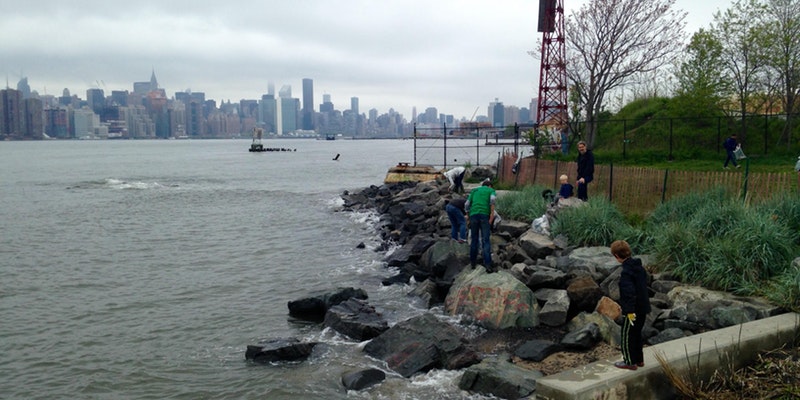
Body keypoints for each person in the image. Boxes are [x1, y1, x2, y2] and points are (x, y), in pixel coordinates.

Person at [611, 239, 651, 371]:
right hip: (643, 308)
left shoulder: (626, 272)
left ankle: (629, 361)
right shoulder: (639, 268)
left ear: (617, 256)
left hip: (632, 311)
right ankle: (639, 360)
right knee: (637, 334)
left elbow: (629, 293)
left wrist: (628, 311)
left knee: (627, 335)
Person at [466, 178, 496, 272]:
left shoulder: (474, 190)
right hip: (484, 215)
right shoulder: (491, 190)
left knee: (474, 239)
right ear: (489, 186)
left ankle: (473, 264)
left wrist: (468, 216)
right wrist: (491, 215)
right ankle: (488, 265)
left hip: (473, 215)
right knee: (485, 240)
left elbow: (467, 204)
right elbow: (492, 199)